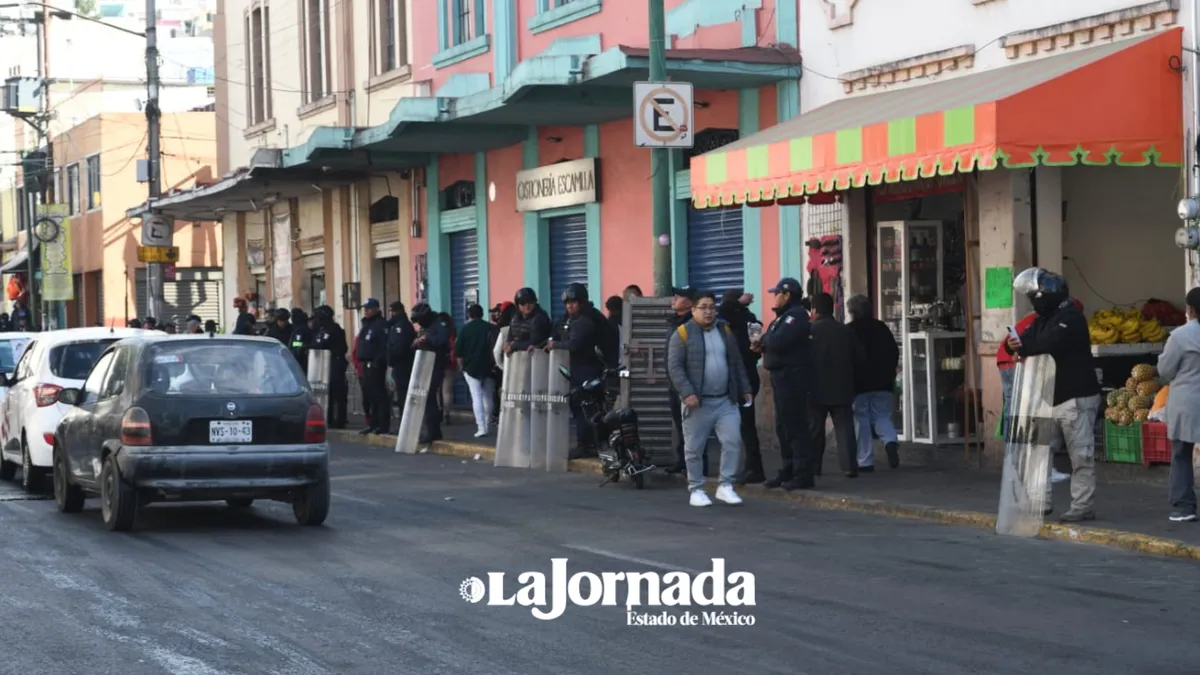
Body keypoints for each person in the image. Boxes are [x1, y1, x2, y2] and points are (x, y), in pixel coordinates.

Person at [1003, 268, 1101, 522]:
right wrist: (1011, 344)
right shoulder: (1042, 320)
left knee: (1080, 455)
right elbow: (1022, 339)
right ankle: (1040, 502)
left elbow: (1049, 343)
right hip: (1047, 395)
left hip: (1075, 397)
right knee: (1039, 452)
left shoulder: (1071, 318)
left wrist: (1023, 346)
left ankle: (1082, 505)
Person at [666, 290, 754, 507]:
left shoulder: (725, 330)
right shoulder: (682, 334)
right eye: (703, 307)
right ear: (693, 310)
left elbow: (736, 361)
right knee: (694, 448)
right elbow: (675, 368)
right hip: (698, 402)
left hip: (725, 400)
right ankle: (696, 488)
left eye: (712, 307)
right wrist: (687, 393)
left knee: (732, 441)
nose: (708, 312)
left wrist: (744, 387)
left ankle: (726, 485)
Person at [757, 277, 816, 491]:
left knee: (795, 424)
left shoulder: (796, 316)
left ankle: (803, 473)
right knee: (783, 425)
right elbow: (770, 338)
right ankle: (788, 467)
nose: (775, 297)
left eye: (777, 294)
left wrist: (764, 341)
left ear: (787, 294)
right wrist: (763, 342)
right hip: (779, 376)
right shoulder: (781, 318)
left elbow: (777, 341)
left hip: (792, 376)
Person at [1154, 287, 1200, 522]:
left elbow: (1165, 370)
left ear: (1190, 310)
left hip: (1188, 403)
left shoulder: (1181, 336)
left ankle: (1185, 507)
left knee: (1182, 454)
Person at [807, 292, 862, 478]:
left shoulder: (810, 331)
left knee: (815, 429)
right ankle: (849, 466)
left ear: (814, 310)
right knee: (845, 428)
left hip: (815, 387)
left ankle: (814, 466)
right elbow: (859, 358)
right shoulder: (846, 331)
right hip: (842, 386)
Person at [548, 283, 607, 458]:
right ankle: (590, 443)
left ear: (582, 302)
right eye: (567, 303)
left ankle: (586, 445)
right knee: (580, 407)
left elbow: (574, 344)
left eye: (573, 302)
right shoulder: (571, 319)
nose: (570, 306)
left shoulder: (585, 321)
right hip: (578, 369)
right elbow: (557, 331)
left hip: (587, 369)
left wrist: (555, 345)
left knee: (584, 408)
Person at [846, 294, 900, 471]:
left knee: (861, 419)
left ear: (852, 312)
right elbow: (894, 352)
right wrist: (890, 373)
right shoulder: (882, 327)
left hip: (859, 383)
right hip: (883, 382)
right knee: (882, 415)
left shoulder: (850, 330)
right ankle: (890, 441)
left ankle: (865, 460)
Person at [719, 288, 764, 484]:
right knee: (743, 425)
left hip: (741, 377)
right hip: (745, 376)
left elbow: (755, 348)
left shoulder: (742, 320)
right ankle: (749, 467)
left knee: (743, 425)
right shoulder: (744, 320)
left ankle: (752, 467)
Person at [665, 286, 699, 475]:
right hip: (674, 383)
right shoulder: (674, 322)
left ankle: (695, 465)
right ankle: (682, 460)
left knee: (692, 427)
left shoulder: (692, 325)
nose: (674, 299)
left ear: (689, 303)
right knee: (680, 425)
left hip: (688, 383)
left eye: (679, 296)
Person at [411, 303, 451, 444]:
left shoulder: (440, 322)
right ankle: (431, 430)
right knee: (426, 397)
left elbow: (442, 340)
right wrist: (416, 343)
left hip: (437, 363)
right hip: (424, 363)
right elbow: (414, 344)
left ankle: (433, 431)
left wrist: (428, 339)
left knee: (430, 396)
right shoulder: (425, 327)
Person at [456, 303, 496, 438]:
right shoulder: (491, 328)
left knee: (476, 397)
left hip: (471, 368)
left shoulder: (465, 329)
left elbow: (459, 352)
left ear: (469, 314)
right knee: (488, 397)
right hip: (489, 367)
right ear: (482, 314)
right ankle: (488, 425)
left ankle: (481, 427)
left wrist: (462, 368)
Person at [355, 298, 390, 435]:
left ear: (376, 309)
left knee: (379, 395)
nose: (366, 311)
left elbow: (383, 346)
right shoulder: (367, 325)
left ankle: (382, 425)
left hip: (375, 365)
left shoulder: (380, 325)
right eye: (365, 309)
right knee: (370, 396)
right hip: (365, 364)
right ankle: (373, 423)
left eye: (369, 309)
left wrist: (377, 362)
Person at [311, 306, 348, 428]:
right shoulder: (320, 330)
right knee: (327, 393)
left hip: (335, 364)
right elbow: (316, 344)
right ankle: (329, 417)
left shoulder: (335, 330)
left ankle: (340, 419)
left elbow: (337, 347)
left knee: (338, 393)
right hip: (322, 364)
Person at [387, 301, 415, 416]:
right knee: (399, 393)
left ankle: (405, 419)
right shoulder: (396, 325)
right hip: (399, 364)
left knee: (403, 394)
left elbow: (400, 346)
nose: (391, 314)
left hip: (402, 364)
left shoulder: (401, 326)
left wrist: (391, 356)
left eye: (393, 311)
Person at [505, 287, 552, 353]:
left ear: (535, 302)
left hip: (536, 356)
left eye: (530, 301)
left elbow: (535, 342)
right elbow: (509, 339)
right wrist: (507, 344)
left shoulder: (540, 318)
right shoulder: (515, 319)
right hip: (517, 357)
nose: (527, 305)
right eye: (522, 302)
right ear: (517, 305)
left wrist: (514, 345)